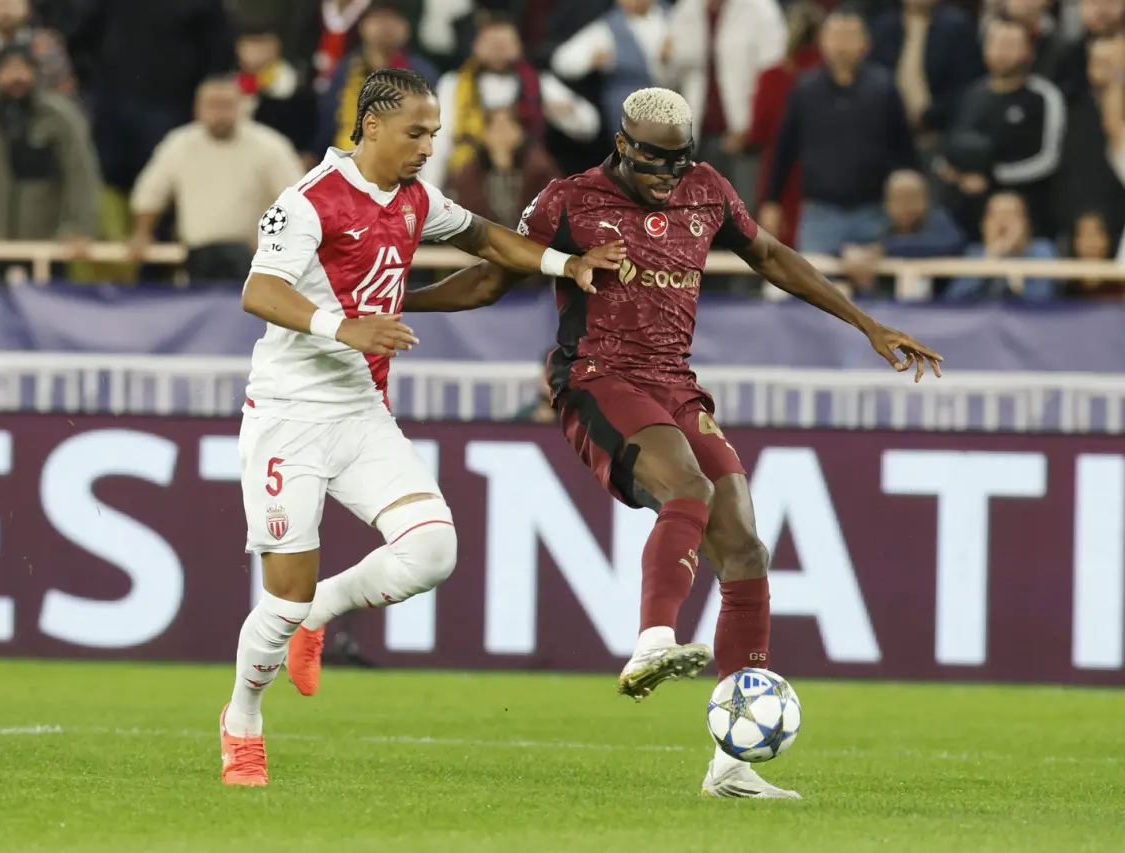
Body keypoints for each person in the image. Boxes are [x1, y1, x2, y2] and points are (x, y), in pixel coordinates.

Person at [400, 87, 944, 799]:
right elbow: (489, 280)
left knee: (745, 547)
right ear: (622, 145)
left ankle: (731, 765)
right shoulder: (568, 200)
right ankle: (653, 640)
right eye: (653, 161)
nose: (666, 176)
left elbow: (770, 255)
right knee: (688, 486)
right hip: (596, 376)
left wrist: (866, 323)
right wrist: (398, 299)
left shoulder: (707, 189)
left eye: (677, 161)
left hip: (674, 383)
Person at [220, 67, 622, 787]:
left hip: (360, 411)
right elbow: (260, 289)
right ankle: (243, 718)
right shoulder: (308, 200)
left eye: (434, 133)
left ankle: (323, 611)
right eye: (416, 133)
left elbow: (489, 240)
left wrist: (568, 263)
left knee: (433, 550)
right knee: (281, 597)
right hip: (288, 417)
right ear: (371, 124)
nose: (428, 147)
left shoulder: (416, 198)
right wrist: (344, 326)